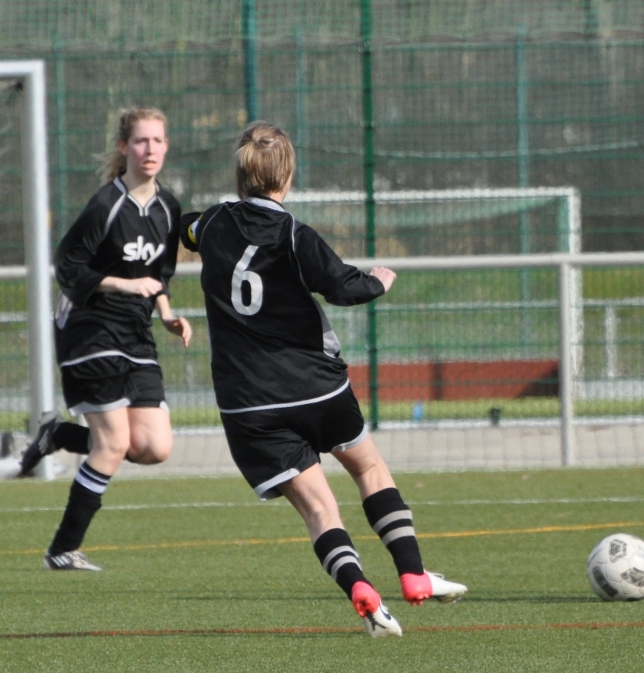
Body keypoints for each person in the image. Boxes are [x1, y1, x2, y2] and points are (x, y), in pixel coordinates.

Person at [180, 122, 466, 638]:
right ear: (285, 178)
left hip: (249, 404)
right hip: (316, 389)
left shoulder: (215, 223)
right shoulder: (294, 234)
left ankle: (363, 592)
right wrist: (376, 281)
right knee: (370, 468)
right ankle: (413, 573)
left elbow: (187, 229)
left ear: (240, 175)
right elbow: (339, 285)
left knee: (318, 509)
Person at [18, 106, 192, 572]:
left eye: (157, 141)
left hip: (135, 332)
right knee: (113, 443)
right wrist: (123, 283)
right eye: (140, 141)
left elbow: (159, 276)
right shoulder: (105, 204)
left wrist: (170, 316)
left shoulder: (169, 208)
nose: (149, 149)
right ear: (124, 148)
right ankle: (62, 550)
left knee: (154, 447)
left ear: (166, 146)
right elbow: (68, 268)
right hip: (87, 328)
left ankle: (58, 434)